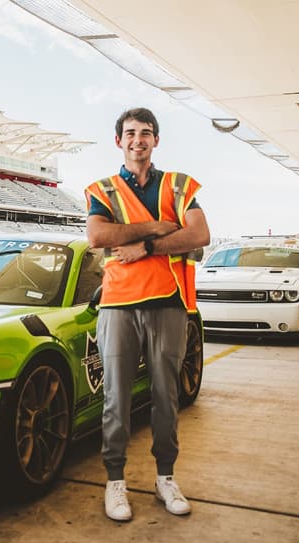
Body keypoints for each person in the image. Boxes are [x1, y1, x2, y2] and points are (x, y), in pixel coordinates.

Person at [85, 107, 210, 521]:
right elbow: (99, 236)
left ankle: (165, 478)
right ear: (118, 141)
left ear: (157, 140)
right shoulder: (102, 189)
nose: (138, 139)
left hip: (169, 303)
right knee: (116, 399)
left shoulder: (178, 185)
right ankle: (115, 481)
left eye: (146, 133)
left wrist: (148, 247)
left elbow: (199, 234)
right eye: (130, 133)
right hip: (119, 304)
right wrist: (158, 226)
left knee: (165, 396)